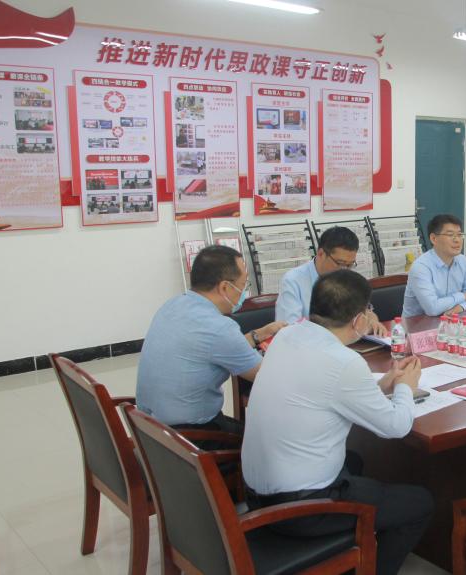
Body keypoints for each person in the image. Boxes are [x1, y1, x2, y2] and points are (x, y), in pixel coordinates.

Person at [242, 269, 433, 575]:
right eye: (368, 310)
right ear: (359, 320)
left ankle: (356, 550)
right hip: (299, 510)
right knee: (419, 503)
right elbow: (396, 426)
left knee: (354, 461)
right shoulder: (344, 361)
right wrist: (405, 388)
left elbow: (320, 391)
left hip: (256, 495)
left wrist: (381, 386)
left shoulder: (287, 336)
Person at [136, 245, 286, 436]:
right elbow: (266, 377)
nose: (244, 292)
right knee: (266, 438)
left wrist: (258, 335)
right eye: (243, 285)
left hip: (149, 429)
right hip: (190, 436)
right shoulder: (219, 327)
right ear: (224, 287)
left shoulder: (173, 305)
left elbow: (215, 347)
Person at [275, 226, 387, 335]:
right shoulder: (293, 280)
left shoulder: (348, 276)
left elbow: (366, 311)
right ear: (321, 253)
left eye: (349, 265)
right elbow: (289, 329)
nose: (344, 270)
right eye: (340, 263)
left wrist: (373, 322)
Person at [403, 214, 466, 317]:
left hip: (451, 321)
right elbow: (432, 309)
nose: (457, 240)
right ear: (434, 238)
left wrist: (462, 307)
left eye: (459, 235)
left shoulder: (462, 261)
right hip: (418, 324)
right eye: (450, 235)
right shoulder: (421, 267)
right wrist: (463, 296)